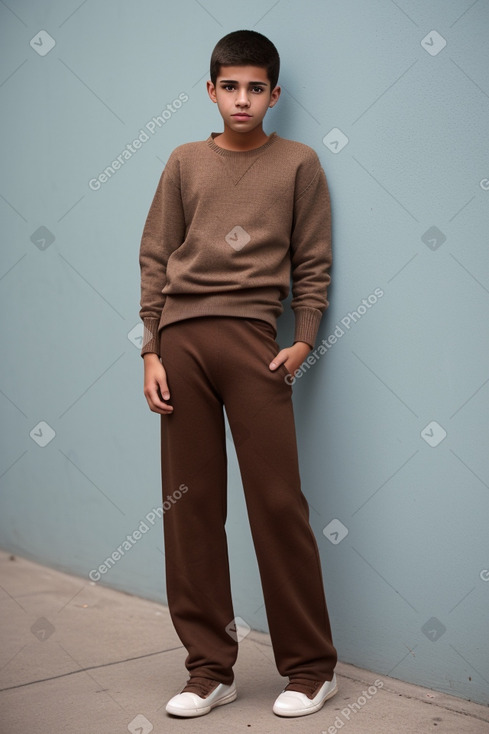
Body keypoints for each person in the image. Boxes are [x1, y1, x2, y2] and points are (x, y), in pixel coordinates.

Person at [139, 29, 337, 719]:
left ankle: (312, 668)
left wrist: (303, 338)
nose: (242, 99)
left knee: (278, 505)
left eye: (256, 87)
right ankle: (208, 670)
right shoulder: (185, 161)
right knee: (189, 509)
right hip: (180, 345)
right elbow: (156, 255)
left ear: (274, 94)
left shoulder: (298, 164)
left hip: (254, 343)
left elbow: (313, 261)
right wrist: (150, 350)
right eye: (230, 86)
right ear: (211, 90)